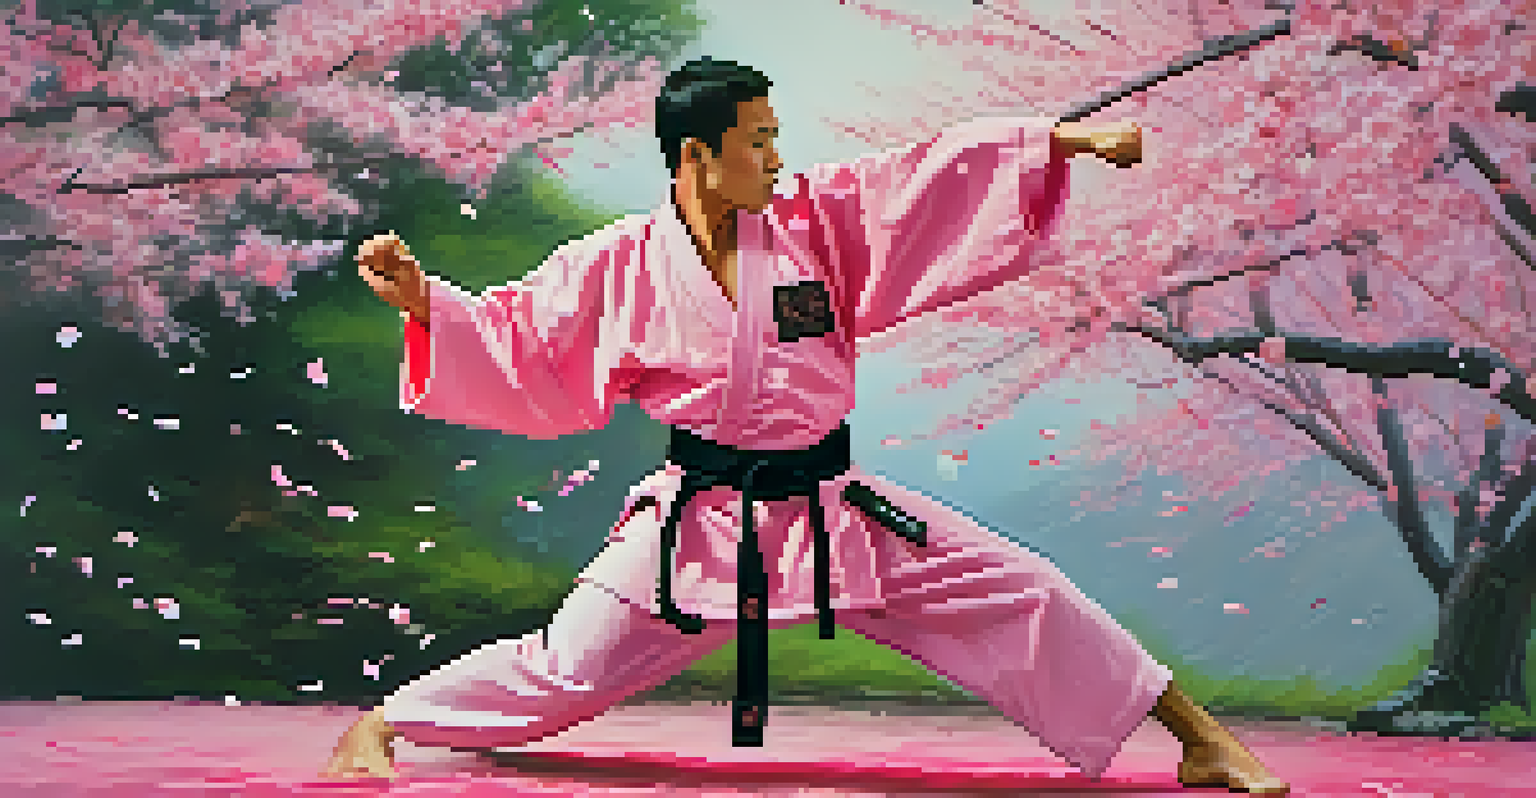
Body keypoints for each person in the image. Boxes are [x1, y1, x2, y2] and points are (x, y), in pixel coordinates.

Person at [323, 57, 1287, 794]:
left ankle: (1201, 741)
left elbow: (925, 176)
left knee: (1020, 591)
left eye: (777, 137)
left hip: (833, 508)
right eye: (758, 140)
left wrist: (1063, 143)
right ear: (698, 155)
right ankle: (385, 721)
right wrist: (423, 301)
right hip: (698, 523)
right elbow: (517, 336)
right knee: (565, 668)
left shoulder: (813, 221)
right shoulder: (620, 263)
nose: (777, 158)